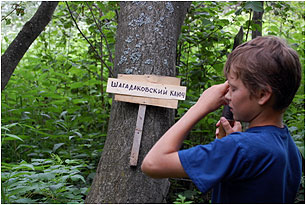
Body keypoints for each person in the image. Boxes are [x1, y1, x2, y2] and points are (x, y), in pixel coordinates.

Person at [141, 36, 302, 203]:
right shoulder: (290, 149)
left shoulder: (241, 148)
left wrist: (200, 107)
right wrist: (232, 145)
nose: (226, 95)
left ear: (262, 94)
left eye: (233, 88)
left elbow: (153, 164)